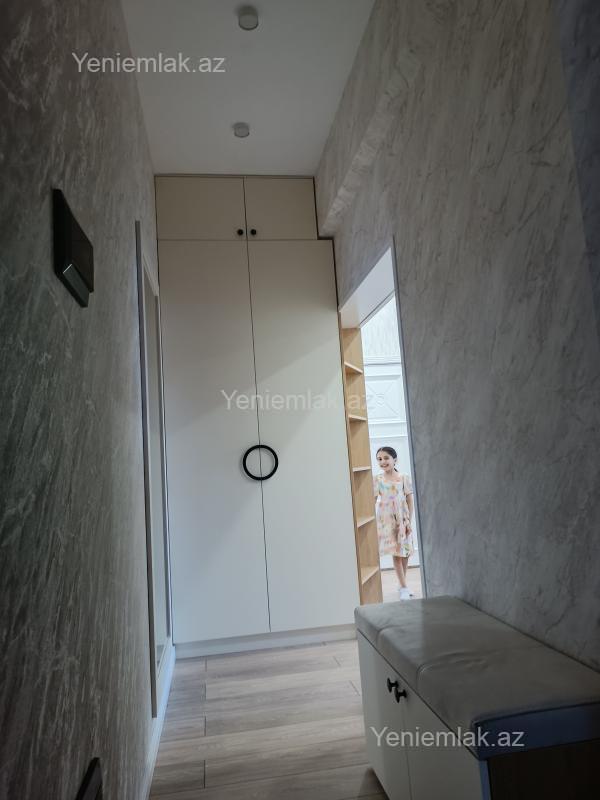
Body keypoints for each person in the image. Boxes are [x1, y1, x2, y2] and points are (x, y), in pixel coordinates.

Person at [373, 446, 415, 599]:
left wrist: (409, 521)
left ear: (394, 459)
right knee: (396, 553)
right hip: (386, 521)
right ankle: (404, 587)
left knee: (405, 552)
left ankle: (401, 583)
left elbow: (409, 499)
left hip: (403, 519)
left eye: (386, 458)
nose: (382, 461)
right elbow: (373, 500)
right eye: (379, 459)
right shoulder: (378, 479)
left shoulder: (404, 477)